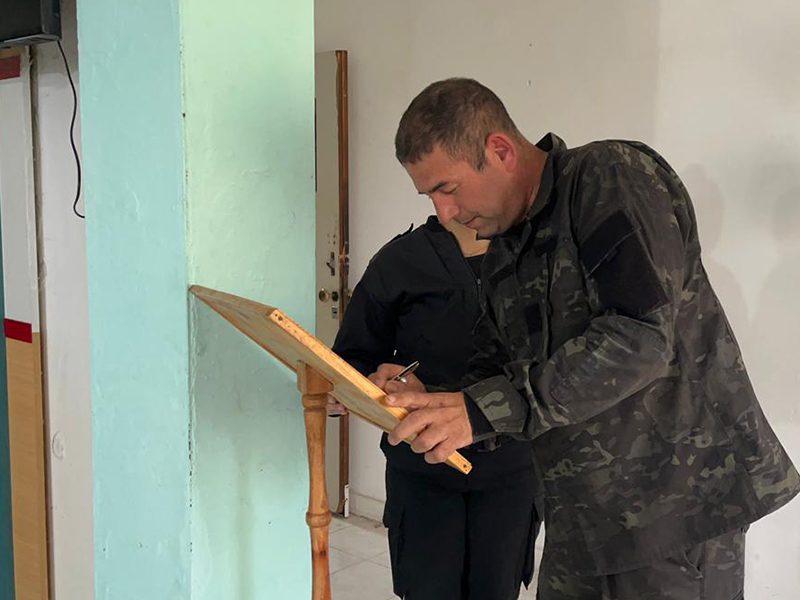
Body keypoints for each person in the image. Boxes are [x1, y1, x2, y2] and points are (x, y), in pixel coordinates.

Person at [370, 78, 800, 600]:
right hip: (582, 522)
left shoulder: (608, 178)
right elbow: (493, 375)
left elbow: (640, 336)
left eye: (448, 188)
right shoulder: (505, 251)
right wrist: (430, 402)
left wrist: (479, 410)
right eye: (430, 196)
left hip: (676, 513)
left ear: (500, 150)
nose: (444, 213)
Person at [331, 216, 541, 600]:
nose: (447, 205)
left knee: (497, 588)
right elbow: (352, 360)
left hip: (512, 469)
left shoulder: (537, 251)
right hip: (421, 468)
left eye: (452, 188)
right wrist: (373, 383)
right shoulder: (400, 260)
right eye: (433, 191)